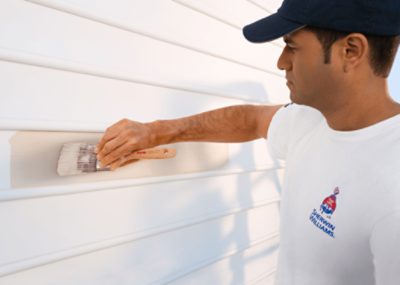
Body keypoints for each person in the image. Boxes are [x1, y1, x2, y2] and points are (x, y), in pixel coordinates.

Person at [95, 0, 400, 284]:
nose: (282, 62)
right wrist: (156, 131)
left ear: (351, 51)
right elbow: (251, 120)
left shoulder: (392, 188)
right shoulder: (310, 120)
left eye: (291, 46)